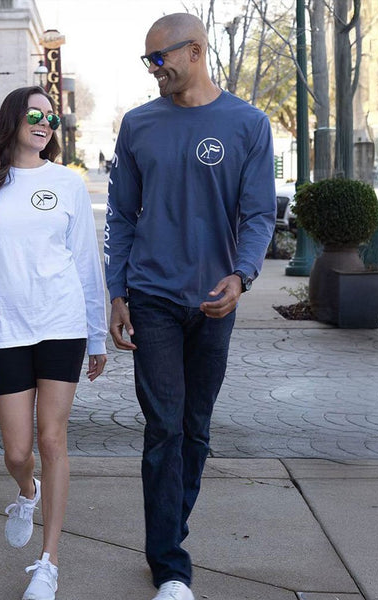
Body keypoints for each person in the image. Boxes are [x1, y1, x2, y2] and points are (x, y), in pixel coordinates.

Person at [104, 13, 276, 600]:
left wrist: (242, 274)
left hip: (213, 302)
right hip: (151, 296)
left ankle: (169, 532)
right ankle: (170, 565)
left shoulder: (248, 124)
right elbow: (122, 215)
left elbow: (257, 215)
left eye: (160, 58)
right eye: (148, 61)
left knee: (195, 429)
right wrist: (117, 291)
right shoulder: (138, 125)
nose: (154, 70)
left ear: (196, 51)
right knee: (164, 427)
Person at [0, 85, 107, 600]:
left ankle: (49, 563)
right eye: (35, 114)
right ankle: (26, 491)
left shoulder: (67, 184)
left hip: (61, 325)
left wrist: (97, 335)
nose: (44, 123)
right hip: (5, 329)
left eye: (52, 117)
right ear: (13, 120)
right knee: (17, 451)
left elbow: (86, 264)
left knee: (51, 440)